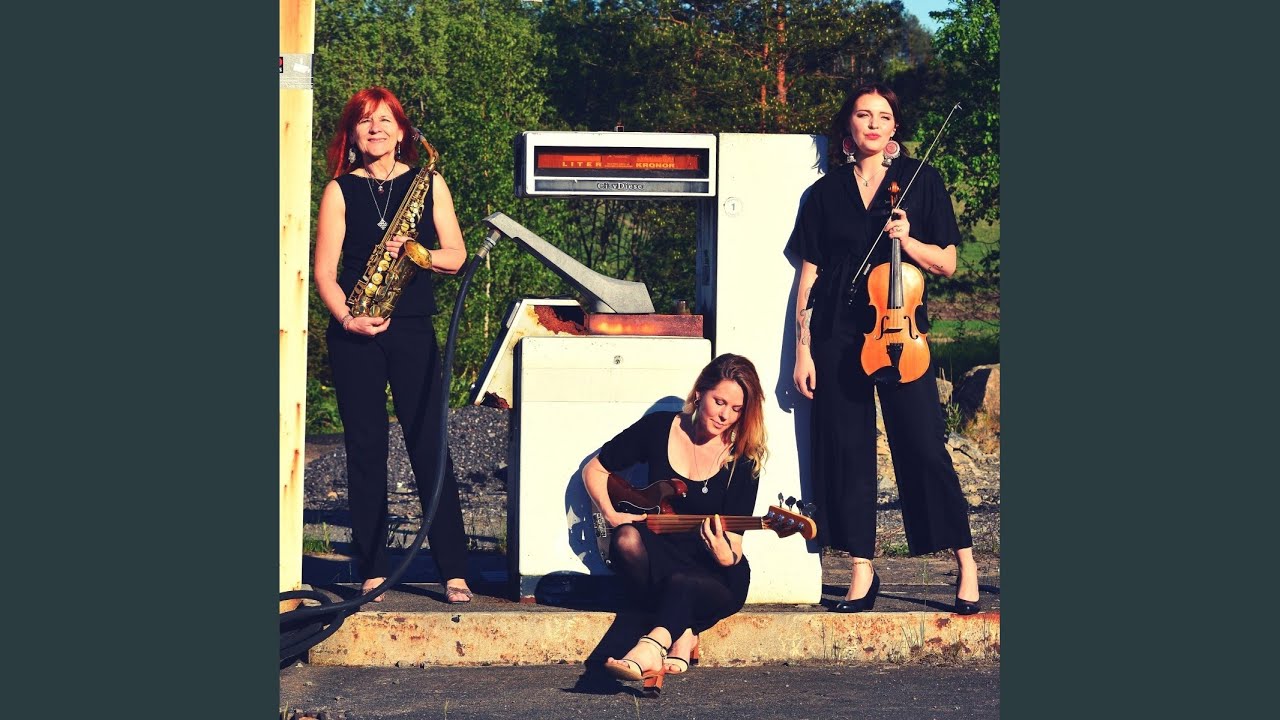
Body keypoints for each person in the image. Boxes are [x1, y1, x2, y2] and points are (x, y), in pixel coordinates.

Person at [787, 82, 981, 615]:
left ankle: (965, 562)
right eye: (862, 114)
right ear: (848, 126)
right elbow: (809, 277)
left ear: (895, 126)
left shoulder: (921, 180)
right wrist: (803, 349)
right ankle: (861, 570)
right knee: (847, 451)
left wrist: (908, 240)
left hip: (900, 335)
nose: (873, 123)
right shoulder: (824, 194)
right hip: (837, 333)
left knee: (923, 446)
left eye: (883, 116)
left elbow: (947, 263)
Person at [313, 86, 474, 604]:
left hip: (412, 328)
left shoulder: (428, 184)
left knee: (429, 445)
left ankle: (454, 570)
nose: (375, 128)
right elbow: (324, 273)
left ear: (401, 130)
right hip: (355, 330)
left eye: (384, 119)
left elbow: (456, 255)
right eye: (365, 121)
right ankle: (373, 568)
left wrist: (419, 253)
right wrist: (347, 318)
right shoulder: (340, 190)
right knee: (365, 450)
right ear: (353, 134)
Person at [583, 354, 768, 692]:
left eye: (736, 409)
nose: (725, 415)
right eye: (719, 402)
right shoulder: (659, 428)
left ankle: (648, 649)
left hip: (712, 573)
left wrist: (723, 552)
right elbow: (594, 469)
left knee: (684, 581)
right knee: (625, 539)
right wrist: (611, 514)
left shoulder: (742, 459)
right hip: (660, 557)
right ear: (699, 393)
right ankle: (681, 631)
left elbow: (735, 548)